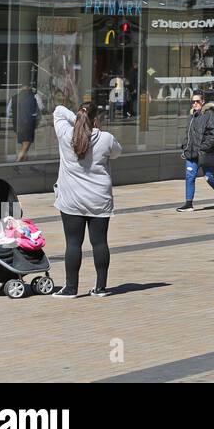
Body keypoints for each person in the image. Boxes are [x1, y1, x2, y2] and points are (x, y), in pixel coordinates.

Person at [51, 102, 121, 298]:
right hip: (99, 199)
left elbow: (58, 110)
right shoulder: (106, 138)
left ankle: (71, 289)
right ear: (95, 119)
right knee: (100, 243)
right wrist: (89, 125)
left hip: (71, 199)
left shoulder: (66, 134)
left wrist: (78, 121)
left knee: (73, 243)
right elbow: (117, 153)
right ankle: (100, 288)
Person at [177, 91, 214, 212]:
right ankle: (189, 203)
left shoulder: (210, 115)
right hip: (191, 152)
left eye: (197, 101)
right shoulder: (191, 116)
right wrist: (185, 145)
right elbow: (188, 134)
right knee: (189, 176)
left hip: (207, 152)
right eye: (193, 102)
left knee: (209, 177)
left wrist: (203, 147)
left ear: (203, 101)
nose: (194, 104)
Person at [12, 82, 40, 163]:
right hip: (29, 124)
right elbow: (40, 108)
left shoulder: (14, 97)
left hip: (18, 124)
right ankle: (18, 160)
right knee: (26, 143)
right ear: (28, 87)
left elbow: (8, 111)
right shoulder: (33, 96)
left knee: (24, 143)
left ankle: (24, 160)